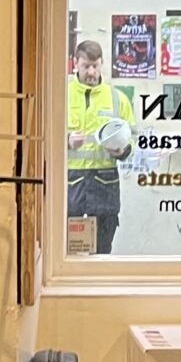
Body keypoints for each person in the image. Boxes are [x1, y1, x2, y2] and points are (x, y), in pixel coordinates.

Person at [64, 38, 137, 254]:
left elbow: (133, 137)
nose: (91, 72)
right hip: (71, 183)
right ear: (75, 64)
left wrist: (123, 150)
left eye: (95, 66)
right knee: (67, 252)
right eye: (86, 66)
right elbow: (46, 133)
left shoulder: (117, 98)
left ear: (102, 63)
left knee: (102, 252)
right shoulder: (61, 94)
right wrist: (66, 141)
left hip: (105, 184)